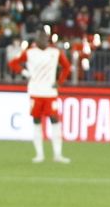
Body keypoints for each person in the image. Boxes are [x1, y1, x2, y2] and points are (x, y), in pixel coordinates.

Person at [7, 27, 74, 163]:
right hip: (35, 92)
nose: (43, 40)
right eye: (40, 38)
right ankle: (39, 154)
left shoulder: (55, 52)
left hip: (50, 93)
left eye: (44, 38)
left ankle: (57, 154)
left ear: (48, 39)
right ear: (36, 40)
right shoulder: (30, 52)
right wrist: (25, 72)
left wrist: (59, 82)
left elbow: (67, 66)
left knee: (54, 120)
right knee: (36, 121)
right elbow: (13, 63)